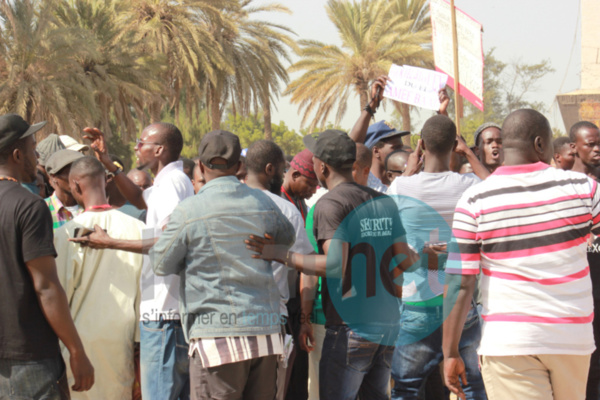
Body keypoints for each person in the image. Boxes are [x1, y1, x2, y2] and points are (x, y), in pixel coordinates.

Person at [247, 129, 416, 400]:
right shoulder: (383, 202)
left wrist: (281, 254)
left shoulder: (330, 205)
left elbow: (336, 265)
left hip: (351, 327)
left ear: (322, 166)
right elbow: (406, 260)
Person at [443, 109, 599, 400]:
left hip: (509, 343)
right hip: (572, 339)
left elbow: (460, 283)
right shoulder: (584, 190)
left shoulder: (474, 200)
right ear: (540, 144)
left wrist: (450, 352)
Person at [150, 130, 296, 400]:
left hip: (216, 338)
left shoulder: (189, 210)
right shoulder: (263, 201)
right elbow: (287, 239)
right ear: (239, 166)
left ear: (201, 168)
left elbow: (160, 262)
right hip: (265, 333)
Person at [78, 122, 195, 400]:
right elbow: (141, 200)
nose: (136, 147)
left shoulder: (171, 185)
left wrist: (110, 243)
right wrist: (109, 163)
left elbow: (170, 241)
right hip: (168, 313)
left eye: (141, 143)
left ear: (159, 149)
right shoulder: (169, 182)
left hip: (164, 315)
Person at [386, 115, 486, 400]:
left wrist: (409, 169)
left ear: (421, 145)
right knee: (472, 385)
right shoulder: (469, 185)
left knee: (406, 388)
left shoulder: (401, 188)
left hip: (418, 302)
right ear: (454, 144)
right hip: (460, 302)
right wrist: (468, 153)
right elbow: (496, 188)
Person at [0, 114, 94, 398]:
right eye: (32, 148)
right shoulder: (29, 206)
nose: (37, 154)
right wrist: (76, 351)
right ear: (17, 154)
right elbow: (46, 286)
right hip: (29, 357)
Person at [54, 156, 145, 399]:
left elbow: (59, 293)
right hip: (123, 340)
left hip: (78, 344)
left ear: (75, 185)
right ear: (106, 181)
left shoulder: (65, 234)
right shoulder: (138, 230)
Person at [245, 140, 315, 400]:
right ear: (271, 169)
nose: (313, 189)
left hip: (225, 320)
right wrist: (305, 320)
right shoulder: (285, 209)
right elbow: (310, 267)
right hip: (273, 318)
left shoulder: (211, 206)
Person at [44, 149, 84, 230]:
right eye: (69, 172)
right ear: (54, 177)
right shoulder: (43, 209)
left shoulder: (89, 206)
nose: (76, 177)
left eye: (79, 171)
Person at [282, 149, 319, 220]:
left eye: (316, 186)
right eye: (311, 185)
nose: (314, 191)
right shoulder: (275, 199)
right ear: (295, 175)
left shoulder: (298, 196)